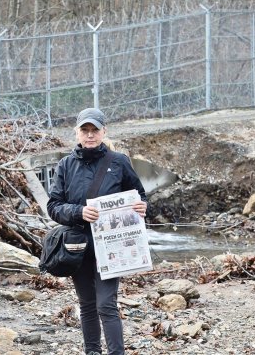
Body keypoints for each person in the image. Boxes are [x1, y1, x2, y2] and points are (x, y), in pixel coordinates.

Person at [47, 107, 148, 355]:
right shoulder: (65, 165)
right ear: (77, 133)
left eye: (95, 130)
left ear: (104, 131)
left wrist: (142, 207)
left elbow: (141, 197)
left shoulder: (119, 162)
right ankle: (92, 352)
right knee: (87, 305)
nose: (90, 135)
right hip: (78, 245)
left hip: (112, 245)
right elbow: (53, 206)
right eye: (85, 130)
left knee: (106, 304)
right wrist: (78, 212)